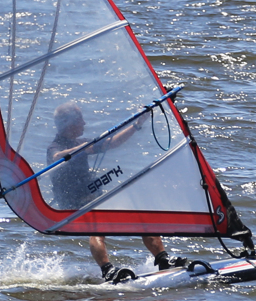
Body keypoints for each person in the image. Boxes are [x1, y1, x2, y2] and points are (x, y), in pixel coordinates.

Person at [46, 101, 188, 283]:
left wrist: (138, 124)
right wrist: (82, 149)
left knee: (141, 213)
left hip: (92, 196)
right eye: (80, 119)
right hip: (73, 202)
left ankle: (162, 259)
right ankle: (107, 270)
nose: (84, 123)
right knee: (98, 225)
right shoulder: (54, 147)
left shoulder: (81, 142)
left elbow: (112, 143)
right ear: (68, 123)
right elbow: (57, 157)